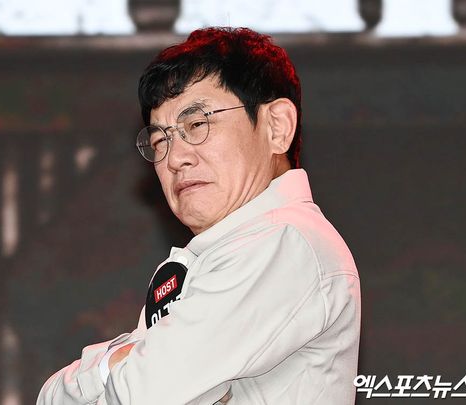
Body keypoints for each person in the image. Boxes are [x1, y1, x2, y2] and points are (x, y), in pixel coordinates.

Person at [37, 26, 361, 405]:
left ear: (277, 127)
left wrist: (106, 369)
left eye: (197, 125)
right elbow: (52, 398)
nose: (175, 158)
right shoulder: (224, 253)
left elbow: (137, 395)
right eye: (161, 140)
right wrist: (118, 365)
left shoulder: (283, 242)